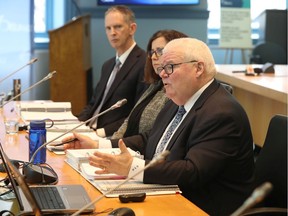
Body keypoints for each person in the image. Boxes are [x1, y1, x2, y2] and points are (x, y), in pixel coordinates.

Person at [65, 38, 255, 215]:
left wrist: (133, 168)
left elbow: (192, 171)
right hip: (168, 193)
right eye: (162, 67)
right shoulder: (179, 98)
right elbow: (150, 138)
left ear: (198, 68)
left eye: (170, 67)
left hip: (200, 206)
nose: (162, 73)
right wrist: (98, 144)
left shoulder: (221, 113)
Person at [77, 5, 147, 137]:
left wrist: (99, 133)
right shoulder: (108, 65)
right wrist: (77, 124)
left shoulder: (143, 63)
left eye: (118, 27)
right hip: (88, 130)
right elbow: (93, 104)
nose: (112, 32)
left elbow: (136, 114)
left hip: (109, 135)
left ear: (132, 28)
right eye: (108, 28)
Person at [111, 29, 188, 139]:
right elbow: (130, 120)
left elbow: (154, 135)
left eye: (160, 51)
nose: (153, 57)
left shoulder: (178, 92)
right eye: (151, 52)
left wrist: (112, 145)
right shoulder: (155, 85)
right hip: (126, 148)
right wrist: (111, 143)